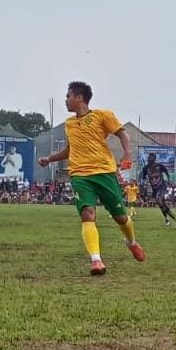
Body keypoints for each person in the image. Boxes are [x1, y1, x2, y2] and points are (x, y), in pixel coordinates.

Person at [38, 81, 145, 276]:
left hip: (104, 172)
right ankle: (96, 260)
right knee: (87, 213)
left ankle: (131, 242)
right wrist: (50, 159)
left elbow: (124, 136)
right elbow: (70, 149)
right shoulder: (69, 124)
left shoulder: (102, 115)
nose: (66, 100)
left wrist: (127, 155)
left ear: (80, 98)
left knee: (121, 217)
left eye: (68, 96)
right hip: (80, 175)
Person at [140, 153, 176, 228]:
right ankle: (171, 219)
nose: (149, 160)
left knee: (159, 201)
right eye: (148, 158)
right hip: (154, 189)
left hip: (162, 186)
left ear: (154, 159)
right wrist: (144, 185)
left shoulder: (159, 166)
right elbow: (143, 178)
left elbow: (166, 172)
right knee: (161, 205)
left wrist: (169, 180)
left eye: (150, 159)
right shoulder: (145, 168)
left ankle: (175, 219)